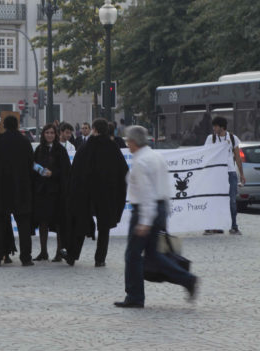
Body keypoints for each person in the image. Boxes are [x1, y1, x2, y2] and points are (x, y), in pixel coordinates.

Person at [114, 126, 199, 308]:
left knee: (133, 255)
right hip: (160, 207)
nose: (127, 143)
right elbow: (162, 188)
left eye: (128, 140)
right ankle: (188, 279)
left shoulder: (141, 162)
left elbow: (146, 193)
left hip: (146, 210)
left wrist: (145, 221)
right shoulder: (155, 156)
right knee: (153, 254)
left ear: (134, 142)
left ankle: (135, 297)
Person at [66, 118, 129, 267]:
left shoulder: (85, 147)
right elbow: (123, 170)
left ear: (94, 129)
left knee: (81, 222)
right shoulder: (112, 147)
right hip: (106, 193)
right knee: (104, 226)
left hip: (85, 192)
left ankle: (73, 255)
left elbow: (75, 171)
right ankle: (100, 258)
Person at [0, 115, 36, 266]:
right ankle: (26, 257)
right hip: (22, 188)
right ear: (18, 125)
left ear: (4, 125)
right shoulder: (25, 141)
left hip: (2, 188)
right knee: (24, 226)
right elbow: (31, 165)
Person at [32, 124, 71, 262]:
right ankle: (43, 251)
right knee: (43, 222)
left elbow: (66, 171)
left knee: (58, 223)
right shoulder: (39, 149)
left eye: (52, 133)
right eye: (47, 133)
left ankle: (59, 251)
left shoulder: (60, 150)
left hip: (56, 192)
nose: (49, 135)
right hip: (42, 191)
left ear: (56, 135)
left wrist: (53, 174)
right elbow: (33, 166)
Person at [207, 116, 245, 235]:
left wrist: (241, 174)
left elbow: (238, 158)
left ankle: (234, 226)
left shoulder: (233, 138)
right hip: (216, 172)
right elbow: (205, 154)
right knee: (214, 199)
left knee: (232, 200)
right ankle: (212, 226)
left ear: (222, 127)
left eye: (215, 126)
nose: (214, 128)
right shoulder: (211, 138)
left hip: (230, 172)